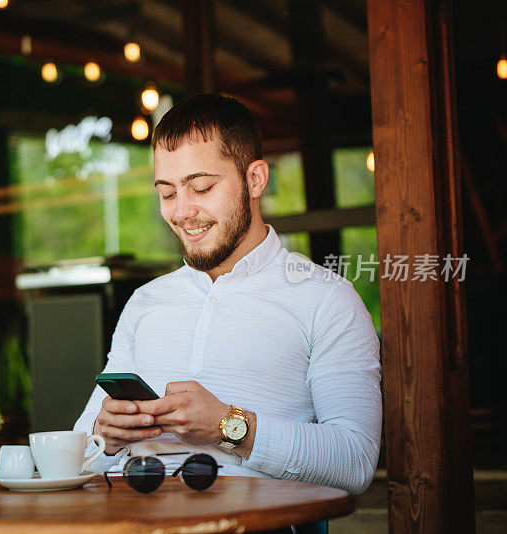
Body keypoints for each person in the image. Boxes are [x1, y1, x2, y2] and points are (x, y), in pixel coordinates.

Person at [73, 93, 382, 496]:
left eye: (200, 187)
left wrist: (228, 427)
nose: (182, 211)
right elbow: (78, 456)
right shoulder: (145, 303)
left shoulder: (327, 299)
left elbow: (355, 461)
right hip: (129, 518)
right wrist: (105, 435)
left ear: (255, 179)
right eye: (167, 193)